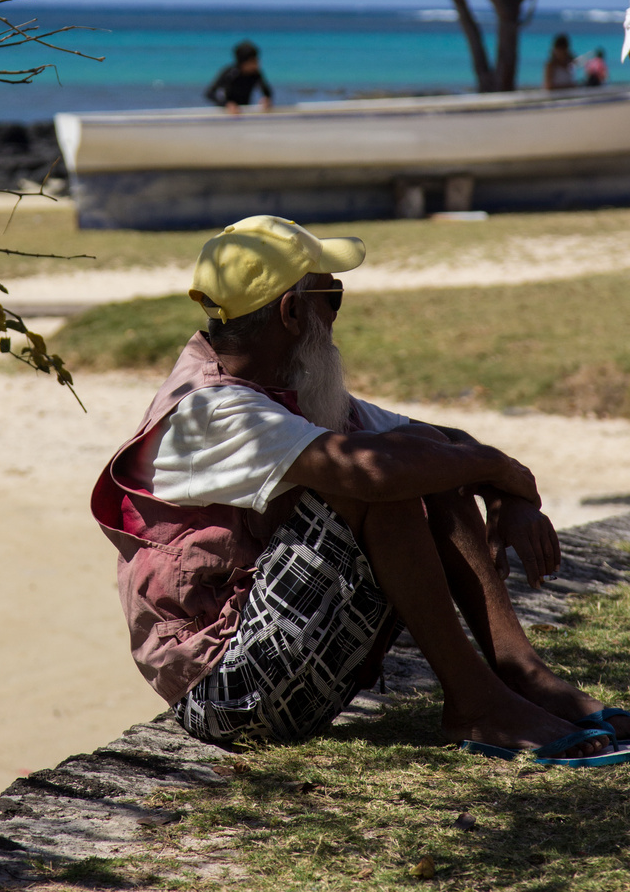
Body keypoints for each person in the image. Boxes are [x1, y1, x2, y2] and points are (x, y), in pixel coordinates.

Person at [92, 215, 630, 766]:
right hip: (226, 693)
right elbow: (374, 474)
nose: (334, 317)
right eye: (333, 297)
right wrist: (501, 470)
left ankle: (522, 674)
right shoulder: (209, 411)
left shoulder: (285, 392)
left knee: (418, 454)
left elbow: (437, 442)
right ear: (293, 311)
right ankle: (476, 704)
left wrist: (507, 495)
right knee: (383, 480)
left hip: (284, 658)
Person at [205, 40, 273, 114]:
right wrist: (227, 104)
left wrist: (266, 99)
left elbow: (266, 90)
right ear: (244, 62)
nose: (257, 63)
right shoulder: (231, 73)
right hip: (227, 113)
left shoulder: (255, 74)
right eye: (253, 60)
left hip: (243, 111)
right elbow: (210, 93)